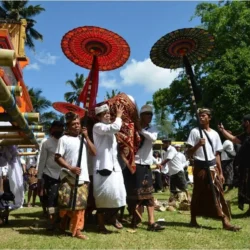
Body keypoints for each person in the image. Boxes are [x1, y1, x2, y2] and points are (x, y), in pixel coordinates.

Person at [186, 108, 241, 231]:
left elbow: (217, 154)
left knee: (218, 192)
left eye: (204, 115)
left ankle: (224, 221)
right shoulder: (194, 132)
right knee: (198, 193)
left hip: (212, 168)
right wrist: (198, 145)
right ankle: (193, 219)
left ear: (209, 118)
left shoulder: (215, 134)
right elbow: (188, 153)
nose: (201, 118)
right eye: (199, 116)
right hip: (200, 167)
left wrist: (220, 172)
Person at [55, 112, 96, 240]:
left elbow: (94, 152)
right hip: (68, 176)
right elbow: (57, 157)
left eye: (78, 124)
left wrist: (87, 137)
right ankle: (62, 225)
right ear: (68, 126)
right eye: (74, 124)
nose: (77, 126)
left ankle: (77, 230)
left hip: (83, 177)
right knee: (65, 204)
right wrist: (70, 168)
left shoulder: (83, 139)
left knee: (80, 206)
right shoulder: (63, 139)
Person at [123, 104, 165, 231]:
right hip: (132, 163)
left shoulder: (153, 128)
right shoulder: (131, 128)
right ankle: (136, 218)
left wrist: (140, 129)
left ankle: (151, 222)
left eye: (151, 114)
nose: (150, 117)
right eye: (147, 114)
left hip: (145, 164)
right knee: (133, 194)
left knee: (148, 194)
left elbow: (152, 138)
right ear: (141, 116)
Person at [93, 104, 127, 234]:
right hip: (102, 167)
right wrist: (118, 116)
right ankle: (101, 226)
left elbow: (114, 129)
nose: (108, 115)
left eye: (109, 113)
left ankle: (112, 217)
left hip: (114, 167)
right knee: (102, 198)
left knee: (120, 195)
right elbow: (115, 127)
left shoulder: (110, 130)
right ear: (99, 116)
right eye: (104, 113)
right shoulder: (98, 127)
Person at [218, 114, 250, 213]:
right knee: (246, 188)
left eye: (243, 122)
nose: (242, 124)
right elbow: (234, 139)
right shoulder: (245, 135)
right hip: (245, 167)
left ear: (247, 123)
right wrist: (222, 130)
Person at [37, 120, 64, 230]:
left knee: (62, 198)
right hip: (49, 174)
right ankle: (52, 221)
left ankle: (61, 221)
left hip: (63, 174)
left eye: (60, 128)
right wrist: (39, 178)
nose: (58, 130)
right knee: (51, 198)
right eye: (56, 128)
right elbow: (42, 160)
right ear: (52, 129)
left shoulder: (65, 141)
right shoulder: (46, 143)